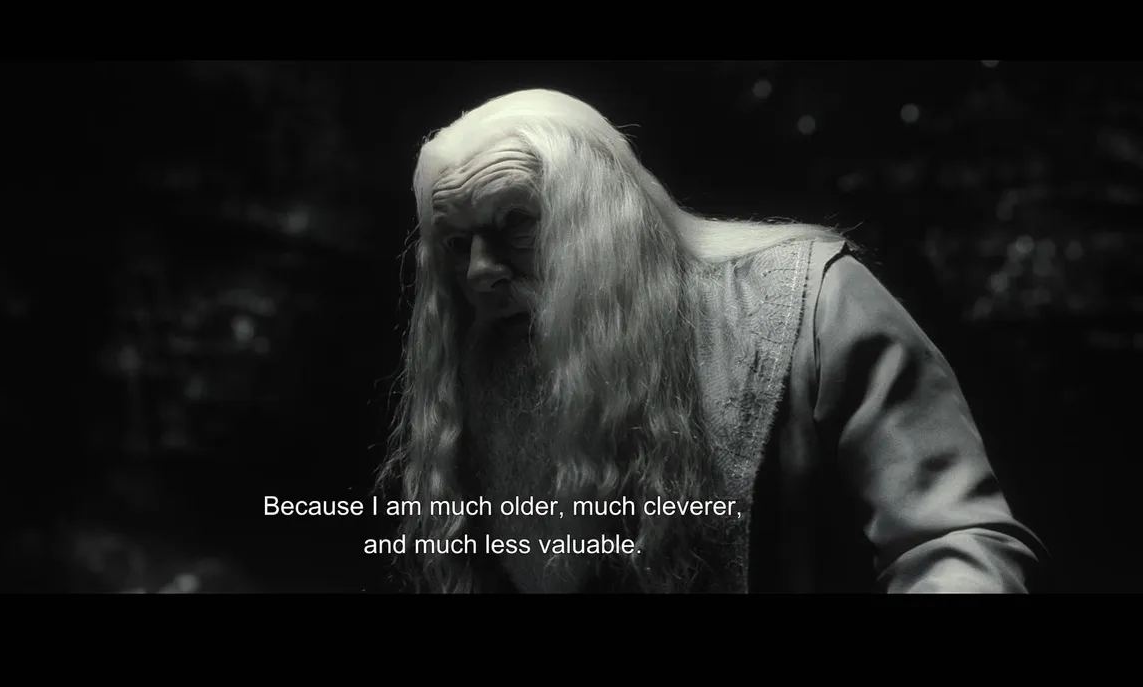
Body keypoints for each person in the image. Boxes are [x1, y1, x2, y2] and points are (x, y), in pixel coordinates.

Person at [375, 88, 1045, 593]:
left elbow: (957, 543)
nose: (480, 272)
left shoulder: (815, 303)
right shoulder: (482, 364)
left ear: (600, 219)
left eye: (515, 223)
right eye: (456, 244)